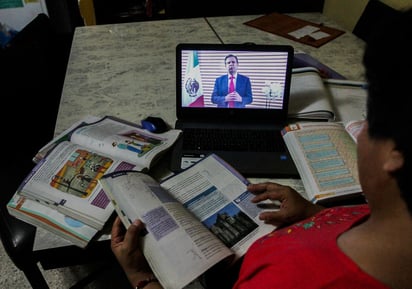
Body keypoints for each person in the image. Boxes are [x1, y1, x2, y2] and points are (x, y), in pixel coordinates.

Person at [111, 8, 412, 289]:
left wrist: (140, 277)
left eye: (368, 121)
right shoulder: (385, 213)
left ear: (394, 154)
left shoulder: (282, 280)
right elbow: (215, 99)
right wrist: (313, 213)